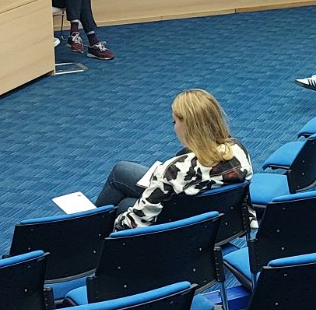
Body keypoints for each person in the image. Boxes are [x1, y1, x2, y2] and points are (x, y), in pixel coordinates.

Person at [95, 89, 253, 230]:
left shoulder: (175, 169)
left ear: (188, 126)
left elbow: (136, 222)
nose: (174, 128)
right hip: (225, 225)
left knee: (124, 203)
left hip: (185, 228)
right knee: (121, 170)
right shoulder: (238, 150)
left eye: (175, 122)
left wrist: (116, 225)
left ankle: (90, 232)